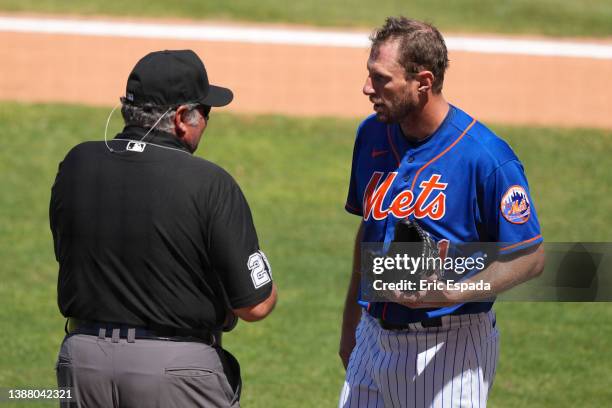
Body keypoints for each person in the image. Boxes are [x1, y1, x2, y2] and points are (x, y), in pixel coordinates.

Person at [50, 49, 277, 407]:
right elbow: (256, 306)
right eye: (205, 112)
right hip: (176, 373)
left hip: (81, 363)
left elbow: (69, 252)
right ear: (183, 117)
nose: (206, 122)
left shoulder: (76, 164)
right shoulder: (209, 183)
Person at [338, 17, 545, 407]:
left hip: (449, 346)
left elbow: (531, 257)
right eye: (369, 75)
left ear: (424, 83)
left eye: (381, 78)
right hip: (371, 336)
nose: (367, 88)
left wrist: (452, 290)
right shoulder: (371, 135)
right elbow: (368, 230)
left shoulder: (485, 158)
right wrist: (351, 325)